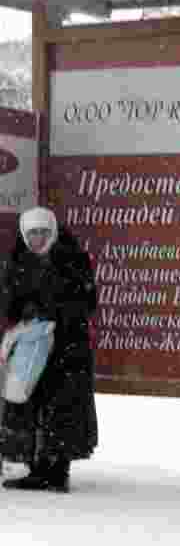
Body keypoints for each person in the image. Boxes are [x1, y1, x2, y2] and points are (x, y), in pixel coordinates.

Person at [0, 206, 98, 493]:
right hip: (34, 347)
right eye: (32, 233)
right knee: (31, 404)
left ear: (53, 231)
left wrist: (54, 313)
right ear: (23, 234)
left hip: (68, 348)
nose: (38, 239)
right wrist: (27, 311)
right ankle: (35, 468)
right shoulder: (18, 260)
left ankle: (57, 471)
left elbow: (87, 301)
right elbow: (9, 300)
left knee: (62, 408)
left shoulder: (72, 259)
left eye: (43, 232)